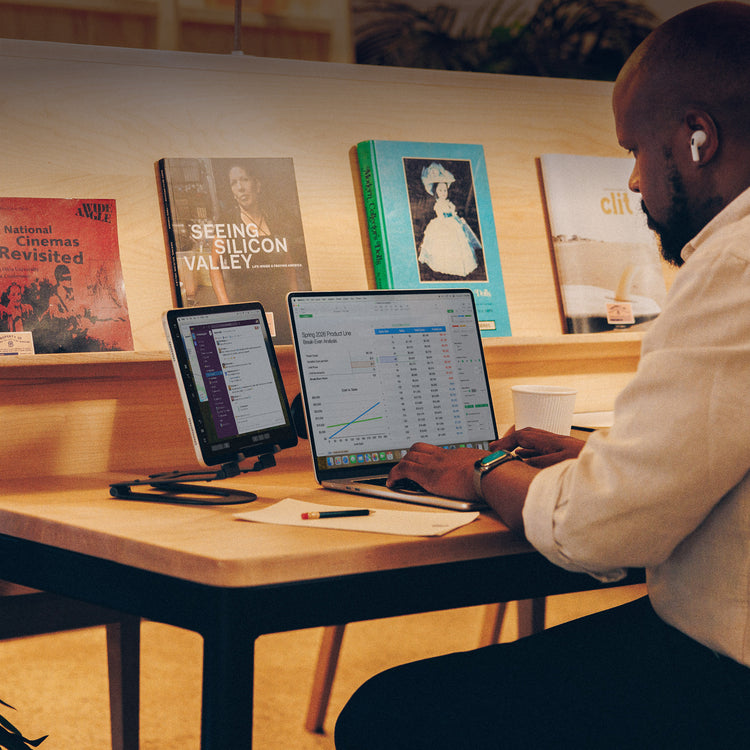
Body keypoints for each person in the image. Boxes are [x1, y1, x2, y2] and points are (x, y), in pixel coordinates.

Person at [334, 3, 750, 747]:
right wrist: (608, 462)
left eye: (637, 151)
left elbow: (598, 530)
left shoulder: (736, 263)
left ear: (698, 137)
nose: (631, 180)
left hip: (727, 686)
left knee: (389, 715)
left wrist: (485, 467)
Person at [416, 162, 481, 277]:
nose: (443, 193)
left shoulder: (448, 203)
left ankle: (461, 265)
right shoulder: (439, 204)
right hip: (443, 224)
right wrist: (448, 220)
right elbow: (442, 215)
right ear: (436, 191)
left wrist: (458, 219)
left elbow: (452, 213)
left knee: (460, 241)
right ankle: (444, 264)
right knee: (445, 244)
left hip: (452, 222)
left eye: (445, 190)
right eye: (440, 190)